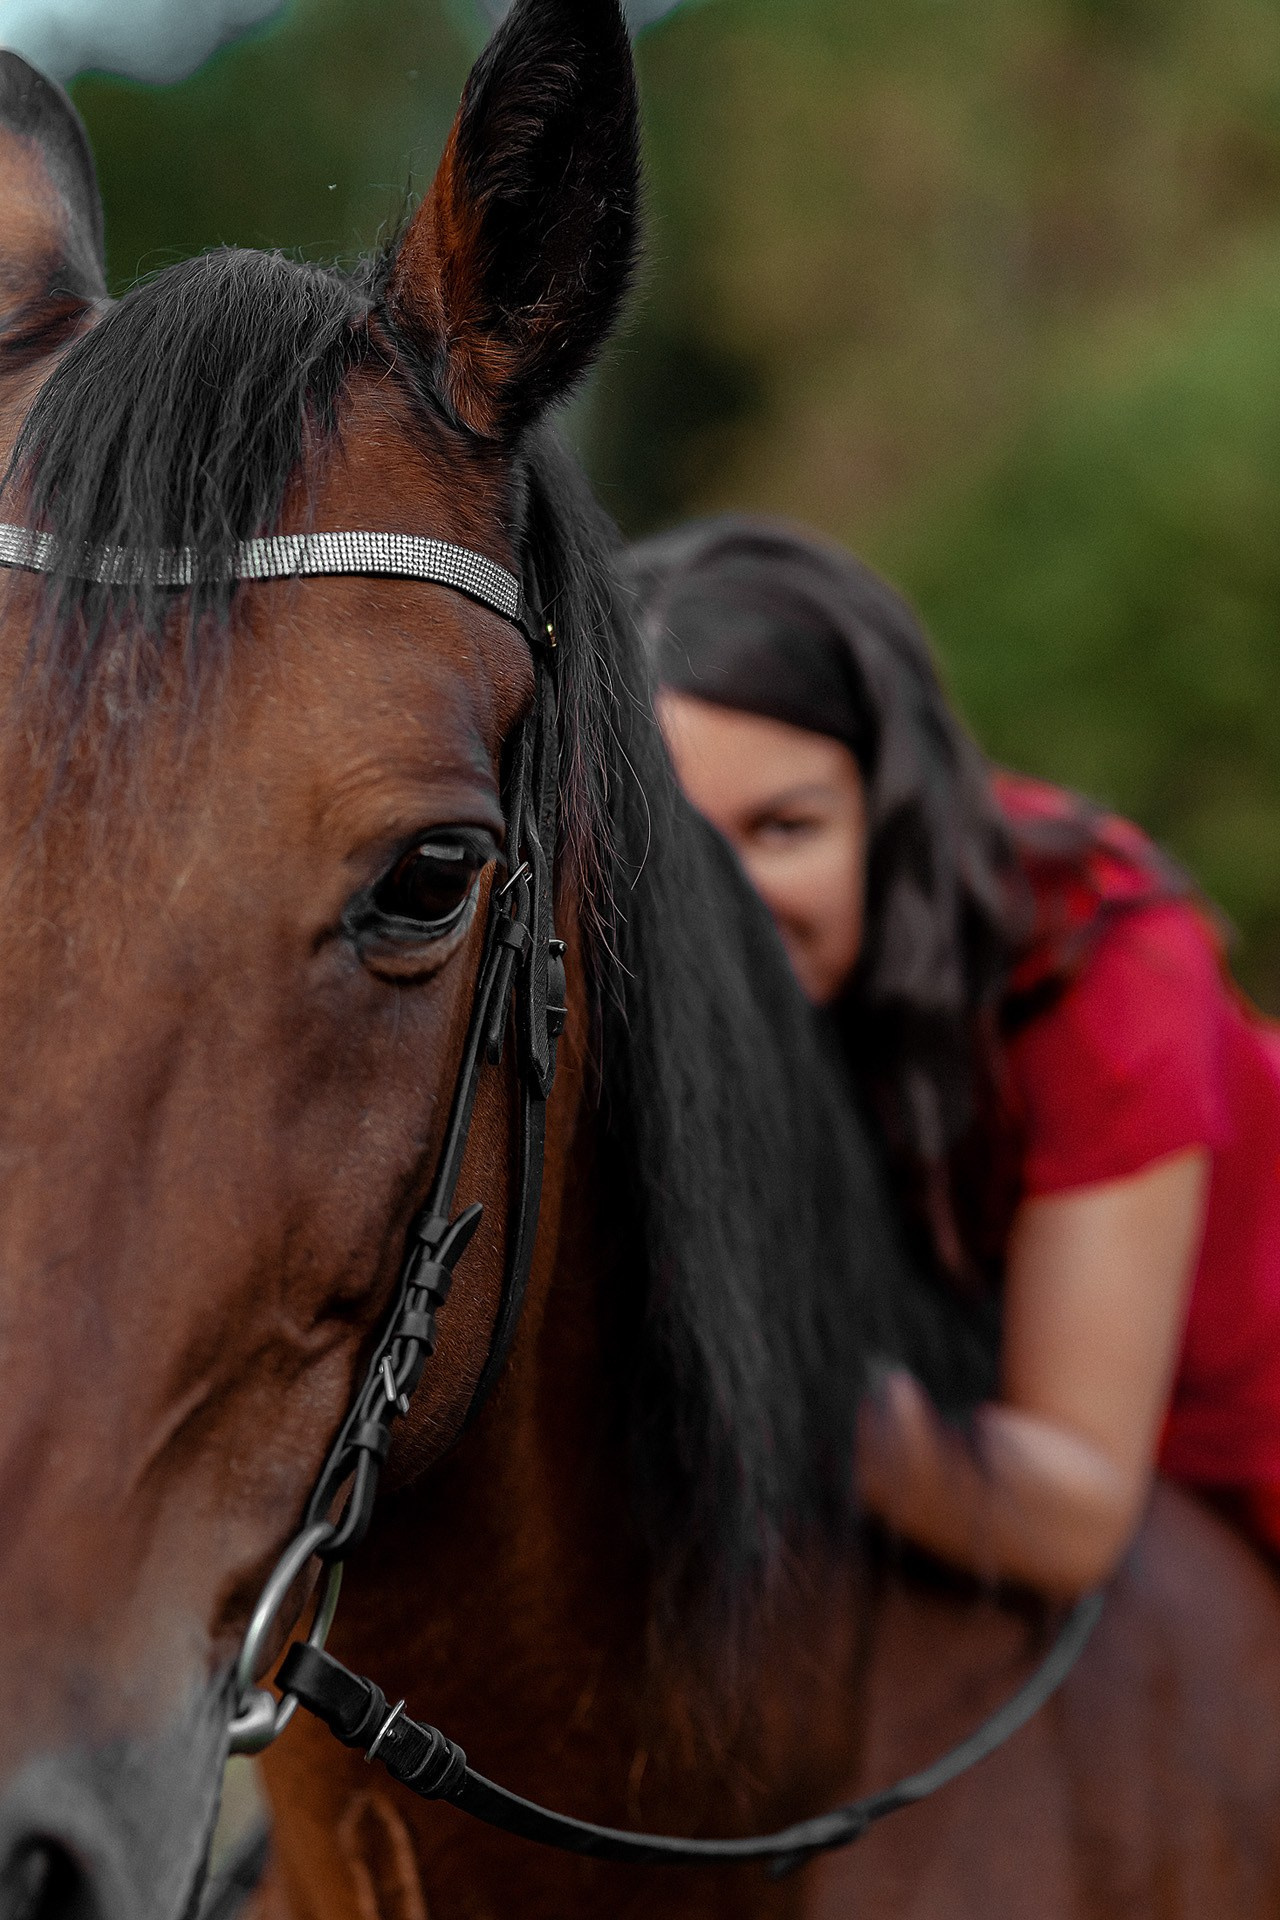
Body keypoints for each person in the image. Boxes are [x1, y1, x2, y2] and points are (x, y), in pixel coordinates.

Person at [626, 515, 1280, 1599]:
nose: (726, 911)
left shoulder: (1100, 967)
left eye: (784, 829)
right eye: (674, 849)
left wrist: (759, 1373)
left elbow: (1071, 1516)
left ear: (891, 814)